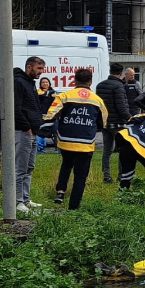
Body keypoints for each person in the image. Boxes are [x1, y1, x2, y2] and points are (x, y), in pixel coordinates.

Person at [43, 68, 106, 210]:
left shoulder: (65, 96)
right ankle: (74, 206)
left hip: (66, 141)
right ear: (91, 82)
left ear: (75, 80)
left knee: (66, 165)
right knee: (81, 175)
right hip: (86, 143)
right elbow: (103, 122)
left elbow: (50, 114)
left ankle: (60, 192)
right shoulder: (98, 101)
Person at [12, 56, 46, 213]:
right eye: (38, 69)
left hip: (33, 130)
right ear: (29, 67)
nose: (41, 72)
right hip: (23, 131)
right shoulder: (19, 82)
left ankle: (26, 198)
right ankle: (18, 201)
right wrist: (26, 127)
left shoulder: (30, 84)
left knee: (29, 166)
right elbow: (16, 108)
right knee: (20, 167)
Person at [96, 62, 132, 184]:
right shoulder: (119, 86)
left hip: (105, 122)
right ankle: (121, 176)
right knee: (123, 150)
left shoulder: (100, 86)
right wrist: (129, 118)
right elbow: (121, 105)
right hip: (119, 123)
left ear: (110, 71)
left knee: (107, 150)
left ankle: (106, 176)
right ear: (121, 73)